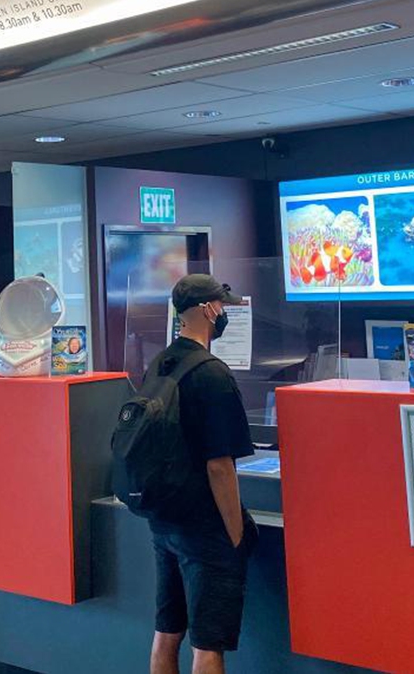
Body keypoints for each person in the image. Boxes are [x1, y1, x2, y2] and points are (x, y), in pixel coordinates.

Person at [148, 275, 256, 674]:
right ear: (209, 309)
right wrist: (236, 534)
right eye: (222, 306)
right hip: (204, 527)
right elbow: (220, 466)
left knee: (167, 631)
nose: (224, 312)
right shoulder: (213, 374)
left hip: (164, 520)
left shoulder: (160, 362)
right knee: (208, 645)